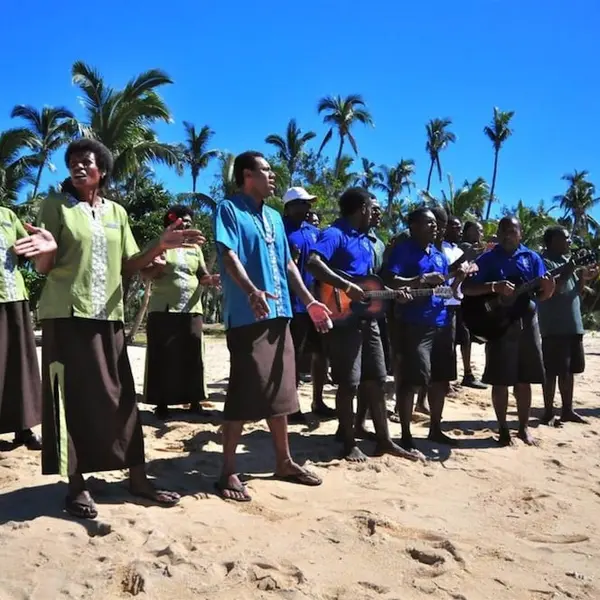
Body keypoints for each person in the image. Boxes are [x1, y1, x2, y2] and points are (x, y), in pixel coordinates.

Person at [34, 139, 202, 519]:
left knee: (122, 397)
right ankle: (76, 486)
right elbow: (44, 268)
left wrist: (159, 246)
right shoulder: (55, 206)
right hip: (66, 315)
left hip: (109, 318)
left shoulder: (117, 213)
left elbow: (131, 264)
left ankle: (138, 479)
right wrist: (45, 248)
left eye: (86, 162)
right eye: (73, 162)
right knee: (70, 398)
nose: (78, 167)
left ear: (102, 170)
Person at [214, 151, 331, 502]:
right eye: (266, 170)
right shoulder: (229, 210)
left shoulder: (276, 218)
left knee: (282, 393)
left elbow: (288, 266)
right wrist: (250, 290)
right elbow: (228, 254)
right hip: (248, 316)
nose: (273, 176)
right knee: (243, 392)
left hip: (281, 314)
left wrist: (309, 301)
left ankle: (284, 461)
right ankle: (227, 471)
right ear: (247, 175)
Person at [307, 187, 417, 462]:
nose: (373, 212)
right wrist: (345, 285)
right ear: (361, 208)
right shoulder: (335, 234)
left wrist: (395, 293)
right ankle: (347, 443)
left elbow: (373, 281)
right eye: (370, 207)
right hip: (344, 318)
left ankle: (384, 440)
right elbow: (312, 263)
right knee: (349, 383)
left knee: (378, 379)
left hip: (369, 319)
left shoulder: (368, 240)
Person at [462, 216, 555, 446]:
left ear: (520, 233)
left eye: (512, 231)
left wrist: (549, 290)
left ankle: (523, 429)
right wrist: (494, 287)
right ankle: (503, 428)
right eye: (503, 231)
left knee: (525, 380)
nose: (507, 235)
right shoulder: (487, 259)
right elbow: (466, 288)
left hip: (527, 322)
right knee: (500, 380)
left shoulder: (532, 258)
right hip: (499, 325)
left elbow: (541, 294)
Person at [386, 208, 459, 450]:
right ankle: (406, 434)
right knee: (413, 380)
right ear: (414, 226)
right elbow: (390, 280)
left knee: (441, 380)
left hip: (442, 323)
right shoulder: (403, 251)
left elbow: (445, 291)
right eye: (429, 223)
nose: (435, 226)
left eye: (435, 223)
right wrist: (420, 280)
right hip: (414, 324)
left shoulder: (438, 255)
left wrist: (459, 278)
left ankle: (435, 429)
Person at [142, 205, 220, 420]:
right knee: (163, 355)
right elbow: (145, 273)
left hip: (192, 309)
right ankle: (162, 404)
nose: (186, 224)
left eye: (189, 221)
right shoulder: (159, 244)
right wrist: (157, 267)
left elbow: (202, 274)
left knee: (193, 354)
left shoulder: (195, 249)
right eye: (182, 220)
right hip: (163, 309)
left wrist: (211, 279)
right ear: (170, 222)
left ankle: (194, 401)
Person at [0, 207, 53, 450]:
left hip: (14, 297)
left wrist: (36, 244)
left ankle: (23, 428)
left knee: (19, 365)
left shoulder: (7, 215)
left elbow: (29, 249)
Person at [283, 187, 335, 421]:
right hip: (293, 303)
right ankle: (290, 405)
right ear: (289, 206)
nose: (307, 208)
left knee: (321, 353)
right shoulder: (279, 229)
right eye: (302, 204)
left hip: (319, 303)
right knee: (293, 355)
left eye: (309, 204)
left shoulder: (314, 232)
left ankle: (318, 399)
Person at [538, 226, 598, 425]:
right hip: (553, 325)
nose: (570, 241)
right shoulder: (543, 262)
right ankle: (548, 412)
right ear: (553, 240)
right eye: (566, 238)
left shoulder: (567, 261)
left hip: (573, 324)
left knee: (570, 370)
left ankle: (567, 410)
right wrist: (569, 270)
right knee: (552, 371)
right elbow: (553, 290)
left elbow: (576, 292)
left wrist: (582, 276)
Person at [444, 215, 486, 390]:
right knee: (449, 343)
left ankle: (467, 374)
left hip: (460, 300)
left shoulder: (458, 250)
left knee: (464, 338)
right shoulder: (443, 249)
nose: (457, 230)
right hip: (445, 301)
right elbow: (446, 273)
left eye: (459, 227)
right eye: (453, 226)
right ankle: (445, 379)